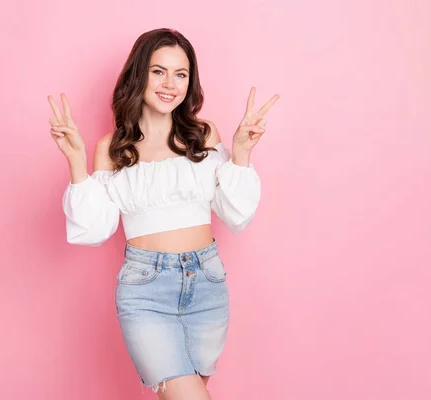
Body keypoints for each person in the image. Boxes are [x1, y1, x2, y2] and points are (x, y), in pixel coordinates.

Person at [47, 28, 279, 400]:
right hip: (146, 290)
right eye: (159, 71)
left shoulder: (202, 135)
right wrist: (76, 161)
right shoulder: (113, 148)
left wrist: (241, 153)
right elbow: (94, 228)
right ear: (139, 74)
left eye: (181, 74)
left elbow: (235, 213)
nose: (170, 83)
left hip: (206, 283)